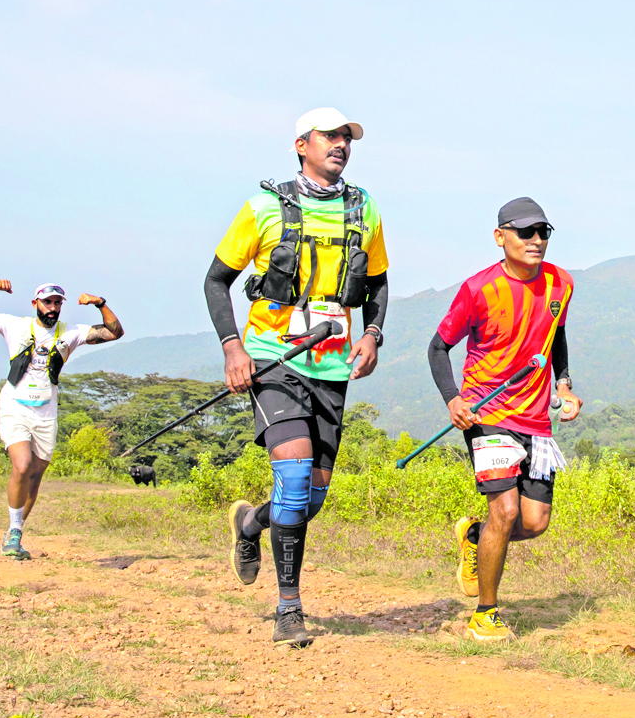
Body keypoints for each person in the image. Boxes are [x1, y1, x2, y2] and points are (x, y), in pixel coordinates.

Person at [208, 107, 389, 646]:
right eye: (329, 136)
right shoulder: (263, 207)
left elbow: (378, 284)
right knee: (292, 477)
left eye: (346, 138)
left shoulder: (364, 208)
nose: (340, 145)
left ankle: (250, 524)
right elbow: (216, 281)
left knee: (309, 500)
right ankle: (290, 610)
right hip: (272, 361)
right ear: (300, 145)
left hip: (332, 368)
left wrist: (373, 334)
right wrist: (233, 348)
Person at [429, 197, 582, 642]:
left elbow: (556, 334)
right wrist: (453, 400)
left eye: (544, 233)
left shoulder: (561, 283)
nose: (536, 241)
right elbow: (438, 348)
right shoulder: (478, 289)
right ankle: (486, 614)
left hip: (536, 420)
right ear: (501, 237)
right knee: (506, 509)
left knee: (533, 522)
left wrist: (564, 383)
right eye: (526, 232)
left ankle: (476, 538)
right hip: (486, 413)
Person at [0, 281, 123, 559]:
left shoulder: (70, 333)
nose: (53, 308)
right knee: (22, 465)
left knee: (34, 477)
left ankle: (15, 532)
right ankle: (13, 533)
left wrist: (100, 303)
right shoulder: (16, 326)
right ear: (36, 303)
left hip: (46, 410)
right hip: (14, 405)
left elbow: (113, 332)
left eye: (58, 303)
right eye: (48, 302)